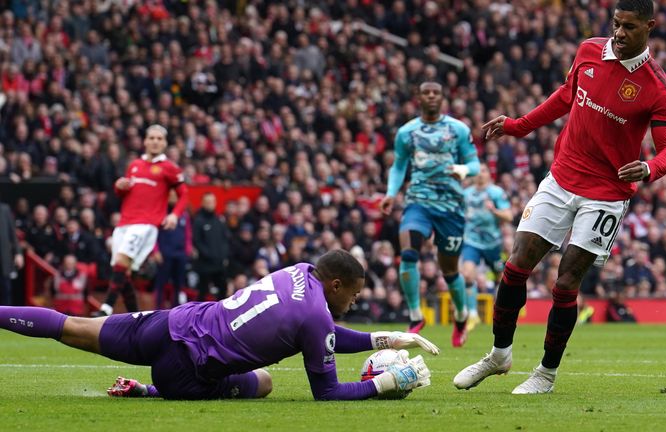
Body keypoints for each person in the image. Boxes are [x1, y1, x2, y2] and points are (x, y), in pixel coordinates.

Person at [454, 0, 666, 393]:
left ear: (649, 27)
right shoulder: (590, 50)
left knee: (566, 281)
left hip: (606, 194)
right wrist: (519, 126)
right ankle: (499, 355)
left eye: (628, 27)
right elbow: (565, 96)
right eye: (615, 24)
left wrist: (649, 168)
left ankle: (545, 374)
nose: (619, 33)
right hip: (561, 178)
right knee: (517, 263)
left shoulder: (658, 88)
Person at [0, 250, 436, 400]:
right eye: (353, 294)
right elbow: (327, 393)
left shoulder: (300, 271)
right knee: (263, 382)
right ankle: (150, 391)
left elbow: (319, 332)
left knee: (71, 326)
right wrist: (387, 382)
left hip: (173, 321)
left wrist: (382, 337)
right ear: (336, 284)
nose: (355, 301)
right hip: (182, 371)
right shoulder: (317, 315)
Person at [379, 81, 481, 347]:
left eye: (436, 92)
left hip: (451, 207)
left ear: (442, 97)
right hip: (418, 202)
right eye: (426, 92)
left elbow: (474, 164)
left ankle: (460, 318)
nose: (432, 96)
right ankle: (415, 315)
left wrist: (463, 170)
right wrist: (391, 193)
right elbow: (399, 165)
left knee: (449, 271)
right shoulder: (407, 132)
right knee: (408, 251)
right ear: (418, 96)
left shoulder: (458, 129)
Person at [99, 124, 188, 316]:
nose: (155, 141)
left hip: (146, 224)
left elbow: (184, 194)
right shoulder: (134, 165)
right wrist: (119, 187)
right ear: (145, 141)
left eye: (159, 139)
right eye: (152, 138)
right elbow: (124, 192)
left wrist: (174, 215)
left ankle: (105, 308)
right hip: (124, 222)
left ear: (164, 143)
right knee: (122, 272)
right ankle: (135, 318)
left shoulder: (169, 168)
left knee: (121, 263)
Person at [461, 163, 513, 330]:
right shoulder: (466, 194)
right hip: (471, 241)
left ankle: (502, 313)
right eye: (477, 172)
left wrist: (494, 211)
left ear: (489, 174)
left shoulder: (495, 192)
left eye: (483, 171)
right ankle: (473, 315)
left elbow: (509, 216)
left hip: (492, 243)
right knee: (468, 275)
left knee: (501, 278)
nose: (480, 174)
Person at [192, 192, 229, 301]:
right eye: (208, 202)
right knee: (203, 292)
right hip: (205, 265)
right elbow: (197, 241)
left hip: (219, 264)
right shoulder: (198, 221)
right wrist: (209, 255)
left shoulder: (219, 220)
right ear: (202, 203)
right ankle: (199, 316)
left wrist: (223, 255)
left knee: (223, 289)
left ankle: (218, 314)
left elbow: (225, 239)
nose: (210, 204)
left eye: (212, 201)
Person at [0, 199, 24, 305]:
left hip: (3, 259)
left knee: (6, 291)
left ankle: (5, 320)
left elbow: (12, 233)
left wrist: (18, 253)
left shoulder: (4, 209)